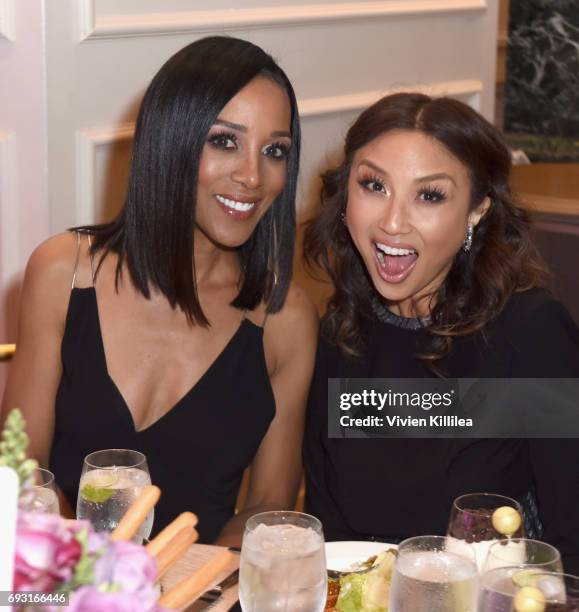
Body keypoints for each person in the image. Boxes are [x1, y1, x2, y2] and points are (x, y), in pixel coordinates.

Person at [2, 36, 317, 546]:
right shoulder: (65, 272)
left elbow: (266, 509)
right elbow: (24, 467)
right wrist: (90, 579)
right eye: (224, 141)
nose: (253, 176)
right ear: (170, 140)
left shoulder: (284, 318)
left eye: (275, 151)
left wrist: (188, 591)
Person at [303, 93, 579, 571]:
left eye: (429, 195)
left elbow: (573, 547)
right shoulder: (342, 334)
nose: (392, 221)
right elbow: (328, 534)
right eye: (373, 185)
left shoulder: (530, 335)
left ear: (477, 212)